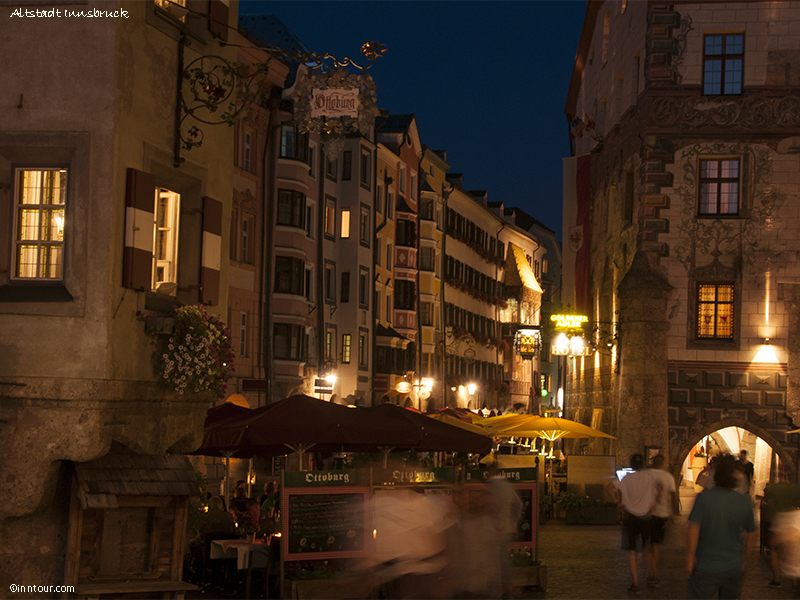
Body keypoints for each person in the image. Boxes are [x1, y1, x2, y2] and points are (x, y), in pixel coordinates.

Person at [686, 454, 757, 599]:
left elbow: (693, 528)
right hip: (733, 566)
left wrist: (690, 556)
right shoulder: (744, 502)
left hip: (705, 566)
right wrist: (746, 560)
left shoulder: (703, 498)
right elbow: (752, 533)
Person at [606, 453, 656, 594]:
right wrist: (653, 502)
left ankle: (635, 582)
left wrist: (617, 502)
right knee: (646, 548)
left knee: (631, 551)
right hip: (646, 517)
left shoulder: (626, 478)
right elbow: (659, 487)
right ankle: (651, 575)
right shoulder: (649, 477)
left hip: (630, 518)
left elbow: (609, 487)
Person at [487, 468, 523, 600]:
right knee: (504, 561)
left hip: (493, 530)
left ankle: (496, 592)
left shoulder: (490, 486)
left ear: (489, 472)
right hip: (506, 530)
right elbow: (518, 505)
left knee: (493, 562)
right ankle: (507, 594)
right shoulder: (507, 485)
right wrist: (512, 521)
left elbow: (490, 507)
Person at [762, 482, 800, 589]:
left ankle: (777, 579)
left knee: (774, 549)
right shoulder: (791, 515)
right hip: (793, 570)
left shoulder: (781, 517)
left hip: (794, 569)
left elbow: (775, 542)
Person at [649, 454, 678, 588]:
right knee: (656, 544)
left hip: (648, 513)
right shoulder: (669, 477)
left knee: (651, 543)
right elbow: (673, 495)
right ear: (663, 464)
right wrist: (673, 512)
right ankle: (654, 573)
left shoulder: (647, 475)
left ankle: (652, 570)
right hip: (662, 514)